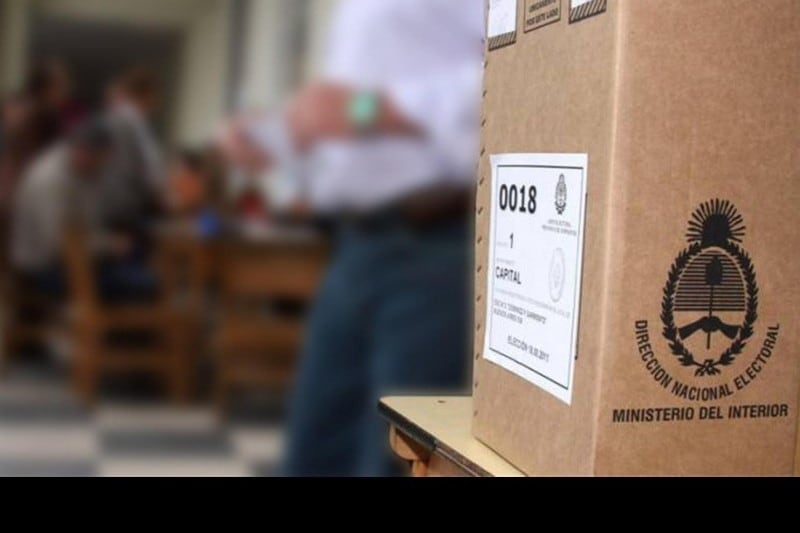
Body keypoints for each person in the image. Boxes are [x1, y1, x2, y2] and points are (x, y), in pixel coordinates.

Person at [220, 0, 486, 476]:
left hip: (437, 245)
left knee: (389, 462)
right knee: (313, 456)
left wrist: (366, 109)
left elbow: (521, 69)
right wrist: (281, 137)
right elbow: (348, 121)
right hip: (356, 245)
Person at [11, 119, 156, 304]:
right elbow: (59, 243)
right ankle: (108, 323)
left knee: (138, 258)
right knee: (144, 283)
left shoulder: (82, 170)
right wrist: (110, 246)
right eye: (102, 159)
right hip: (45, 267)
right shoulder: (52, 180)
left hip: (73, 258)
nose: (104, 166)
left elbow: (102, 211)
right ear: (86, 152)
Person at [102, 67, 165, 236]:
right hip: (127, 206)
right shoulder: (134, 123)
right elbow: (151, 172)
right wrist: (164, 198)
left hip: (110, 202)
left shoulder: (113, 118)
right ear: (148, 94)